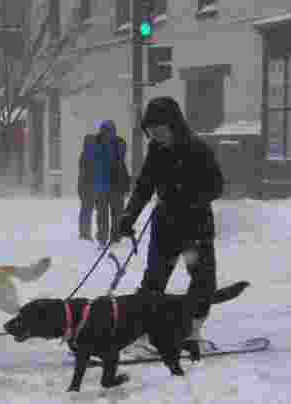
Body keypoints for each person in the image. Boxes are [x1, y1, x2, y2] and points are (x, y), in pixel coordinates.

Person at [115, 96, 225, 356]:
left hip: (195, 227)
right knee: (153, 282)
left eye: (159, 130)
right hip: (166, 226)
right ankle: (139, 335)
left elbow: (216, 186)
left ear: (174, 124)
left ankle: (193, 333)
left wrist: (187, 197)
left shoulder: (198, 149)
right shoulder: (156, 150)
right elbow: (144, 186)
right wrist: (128, 216)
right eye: (151, 131)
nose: (155, 135)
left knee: (203, 281)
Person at [90, 120, 131, 245]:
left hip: (115, 185)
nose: (107, 134)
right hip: (102, 186)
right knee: (103, 215)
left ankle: (115, 237)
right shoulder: (96, 144)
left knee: (116, 213)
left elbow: (120, 159)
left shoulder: (118, 143)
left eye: (109, 131)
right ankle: (103, 238)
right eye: (104, 130)